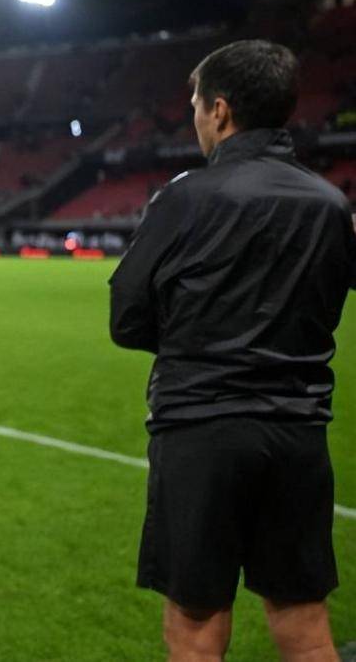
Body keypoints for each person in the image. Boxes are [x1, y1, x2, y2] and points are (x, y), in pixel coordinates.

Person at [109, 40, 355, 662]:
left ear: (219, 110)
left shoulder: (186, 196)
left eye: (195, 104)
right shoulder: (331, 205)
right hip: (299, 435)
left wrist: (199, 339)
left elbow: (127, 318)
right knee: (305, 625)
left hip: (201, 431)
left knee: (196, 629)